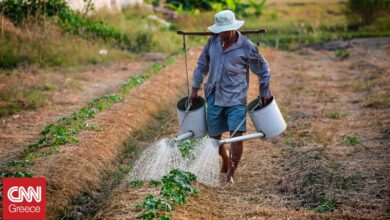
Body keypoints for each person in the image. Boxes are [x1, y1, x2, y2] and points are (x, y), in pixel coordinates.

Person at [190, 10, 272, 183]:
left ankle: (231, 174)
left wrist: (264, 91)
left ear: (234, 28)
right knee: (214, 137)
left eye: (225, 31)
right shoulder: (212, 42)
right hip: (214, 95)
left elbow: (263, 69)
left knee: (236, 136)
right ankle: (225, 159)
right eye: (220, 30)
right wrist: (195, 88)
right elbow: (201, 65)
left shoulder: (247, 46)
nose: (222, 34)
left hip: (236, 98)